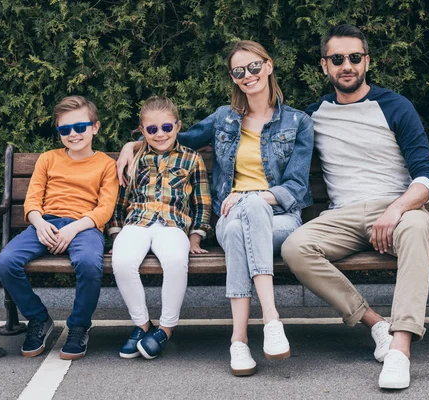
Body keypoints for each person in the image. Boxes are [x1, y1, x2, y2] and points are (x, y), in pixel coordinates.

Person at [117, 41, 314, 376]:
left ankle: (241, 339)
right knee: (237, 223)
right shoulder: (224, 118)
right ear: (234, 78)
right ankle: (270, 321)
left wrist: (254, 196)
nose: (248, 75)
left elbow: (295, 188)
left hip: (279, 219)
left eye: (254, 67)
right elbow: (177, 139)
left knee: (246, 217)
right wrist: (132, 144)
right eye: (239, 71)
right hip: (228, 215)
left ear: (268, 66)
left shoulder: (298, 122)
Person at [281, 24, 429, 390]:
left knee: (417, 228)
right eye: (337, 59)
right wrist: (143, 143)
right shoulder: (312, 116)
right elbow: (254, 131)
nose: (346, 65)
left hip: (395, 209)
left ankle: (400, 349)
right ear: (325, 66)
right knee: (294, 247)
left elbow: (427, 176)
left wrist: (396, 210)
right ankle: (376, 325)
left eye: (354, 57)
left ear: (367, 61)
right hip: (343, 215)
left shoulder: (395, 106)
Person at [0, 96, 119, 360]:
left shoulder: (107, 165)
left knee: (87, 263)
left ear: (95, 127)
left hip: (84, 227)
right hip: (46, 223)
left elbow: (104, 209)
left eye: (80, 127)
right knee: (5, 262)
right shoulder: (48, 159)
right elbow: (32, 200)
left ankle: (78, 326)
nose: (73, 134)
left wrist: (73, 229)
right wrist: (39, 223)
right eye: (65, 129)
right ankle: (39, 319)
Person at [109, 96, 211, 360]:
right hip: (137, 222)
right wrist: (117, 232)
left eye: (167, 127)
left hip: (173, 224)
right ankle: (143, 325)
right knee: (121, 262)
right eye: (152, 129)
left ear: (178, 126)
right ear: (142, 131)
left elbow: (202, 202)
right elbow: (120, 200)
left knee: (177, 260)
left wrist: (196, 236)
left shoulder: (192, 158)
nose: (160, 134)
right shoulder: (135, 156)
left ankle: (165, 329)